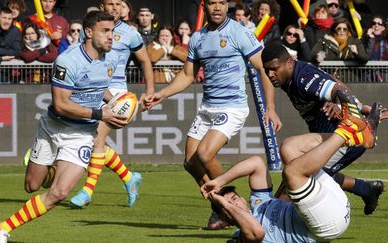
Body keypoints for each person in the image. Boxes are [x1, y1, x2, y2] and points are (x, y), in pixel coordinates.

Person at [0, 11, 128, 243]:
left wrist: (115, 105)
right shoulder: (67, 60)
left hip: (82, 134)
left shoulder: (111, 58)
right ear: (89, 32)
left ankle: (1, 228)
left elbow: (99, 88)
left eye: (112, 31)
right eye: (105, 31)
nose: (111, 36)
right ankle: (50, 164)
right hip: (52, 127)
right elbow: (62, 104)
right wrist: (100, 113)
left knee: (60, 193)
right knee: (32, 186)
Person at [145, 0, 281, 230]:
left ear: (227, 6)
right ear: (204, 6)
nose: (217, 7)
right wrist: (163, 94)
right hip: (208, 108)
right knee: (190, 162)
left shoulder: (240, 32)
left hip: (233, 107)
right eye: (212, 3)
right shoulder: (198, 37)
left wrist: (270, 107)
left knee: (205, 154)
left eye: (221, 2)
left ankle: (234, 205)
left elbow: (262, 69)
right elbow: (188, 75)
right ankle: (221, 208)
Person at [201, 102, 379, 242]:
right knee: (291, 173)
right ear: (227, 215)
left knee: (289, 148)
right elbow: (257, 232)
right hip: (326, 224)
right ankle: (346, 133)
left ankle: (355, 139)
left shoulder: (259, 203)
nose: (237, 202)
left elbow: (256, 163)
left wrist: (219, 181)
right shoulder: (244, 235)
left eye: (235, 198)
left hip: (330, 199)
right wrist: (224, 204)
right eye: (231, 205)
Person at [262, 41, 385, 215]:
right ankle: (365, 189)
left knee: (298, 176)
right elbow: (336, 82)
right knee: (305, 171)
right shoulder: (287, 76)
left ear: (289, 62)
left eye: (273, 69)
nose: (270, 74)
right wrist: (361, 107)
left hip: (345, 140)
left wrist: (340, 105)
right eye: (267, 70)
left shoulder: (303, 79)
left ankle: (272, 222)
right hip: (325, 139)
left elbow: (338, 90)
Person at [69, 0, 155, 209]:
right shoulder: (91, 31)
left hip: (116, 93)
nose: (115, 7)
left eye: (119, 3)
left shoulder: (130, 33)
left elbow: (144, 60)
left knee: (97, 138)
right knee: (90, 141)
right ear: (102, 6)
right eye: (111, 3)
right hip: (92, 88)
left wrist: (150, 90)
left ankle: (87, 191)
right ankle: (129, 177)